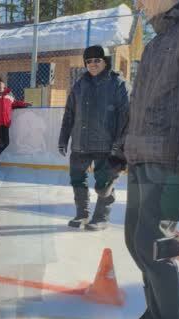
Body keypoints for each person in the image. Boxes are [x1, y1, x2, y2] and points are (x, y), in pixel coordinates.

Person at [116, 0, 179, 319]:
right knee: (136, 240)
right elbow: (141, 104)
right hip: (142, 155)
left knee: (156, 245)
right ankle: (155, 316)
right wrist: (121, 149)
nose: (139, 3)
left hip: (169, 160)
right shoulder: (157, 41)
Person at [57, 45, 129, 231]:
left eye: (97, 60)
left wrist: (119, 145)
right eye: (88, 61)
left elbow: (126, 117)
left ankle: (101, 218)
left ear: (106, 61)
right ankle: (82, 213)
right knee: (77, 179)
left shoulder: (118, 83)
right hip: (81, 142)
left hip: (106, 144)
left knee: (103, 183)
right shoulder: (80, 84)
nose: (93, 64)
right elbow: (70, 113)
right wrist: (63, 138)